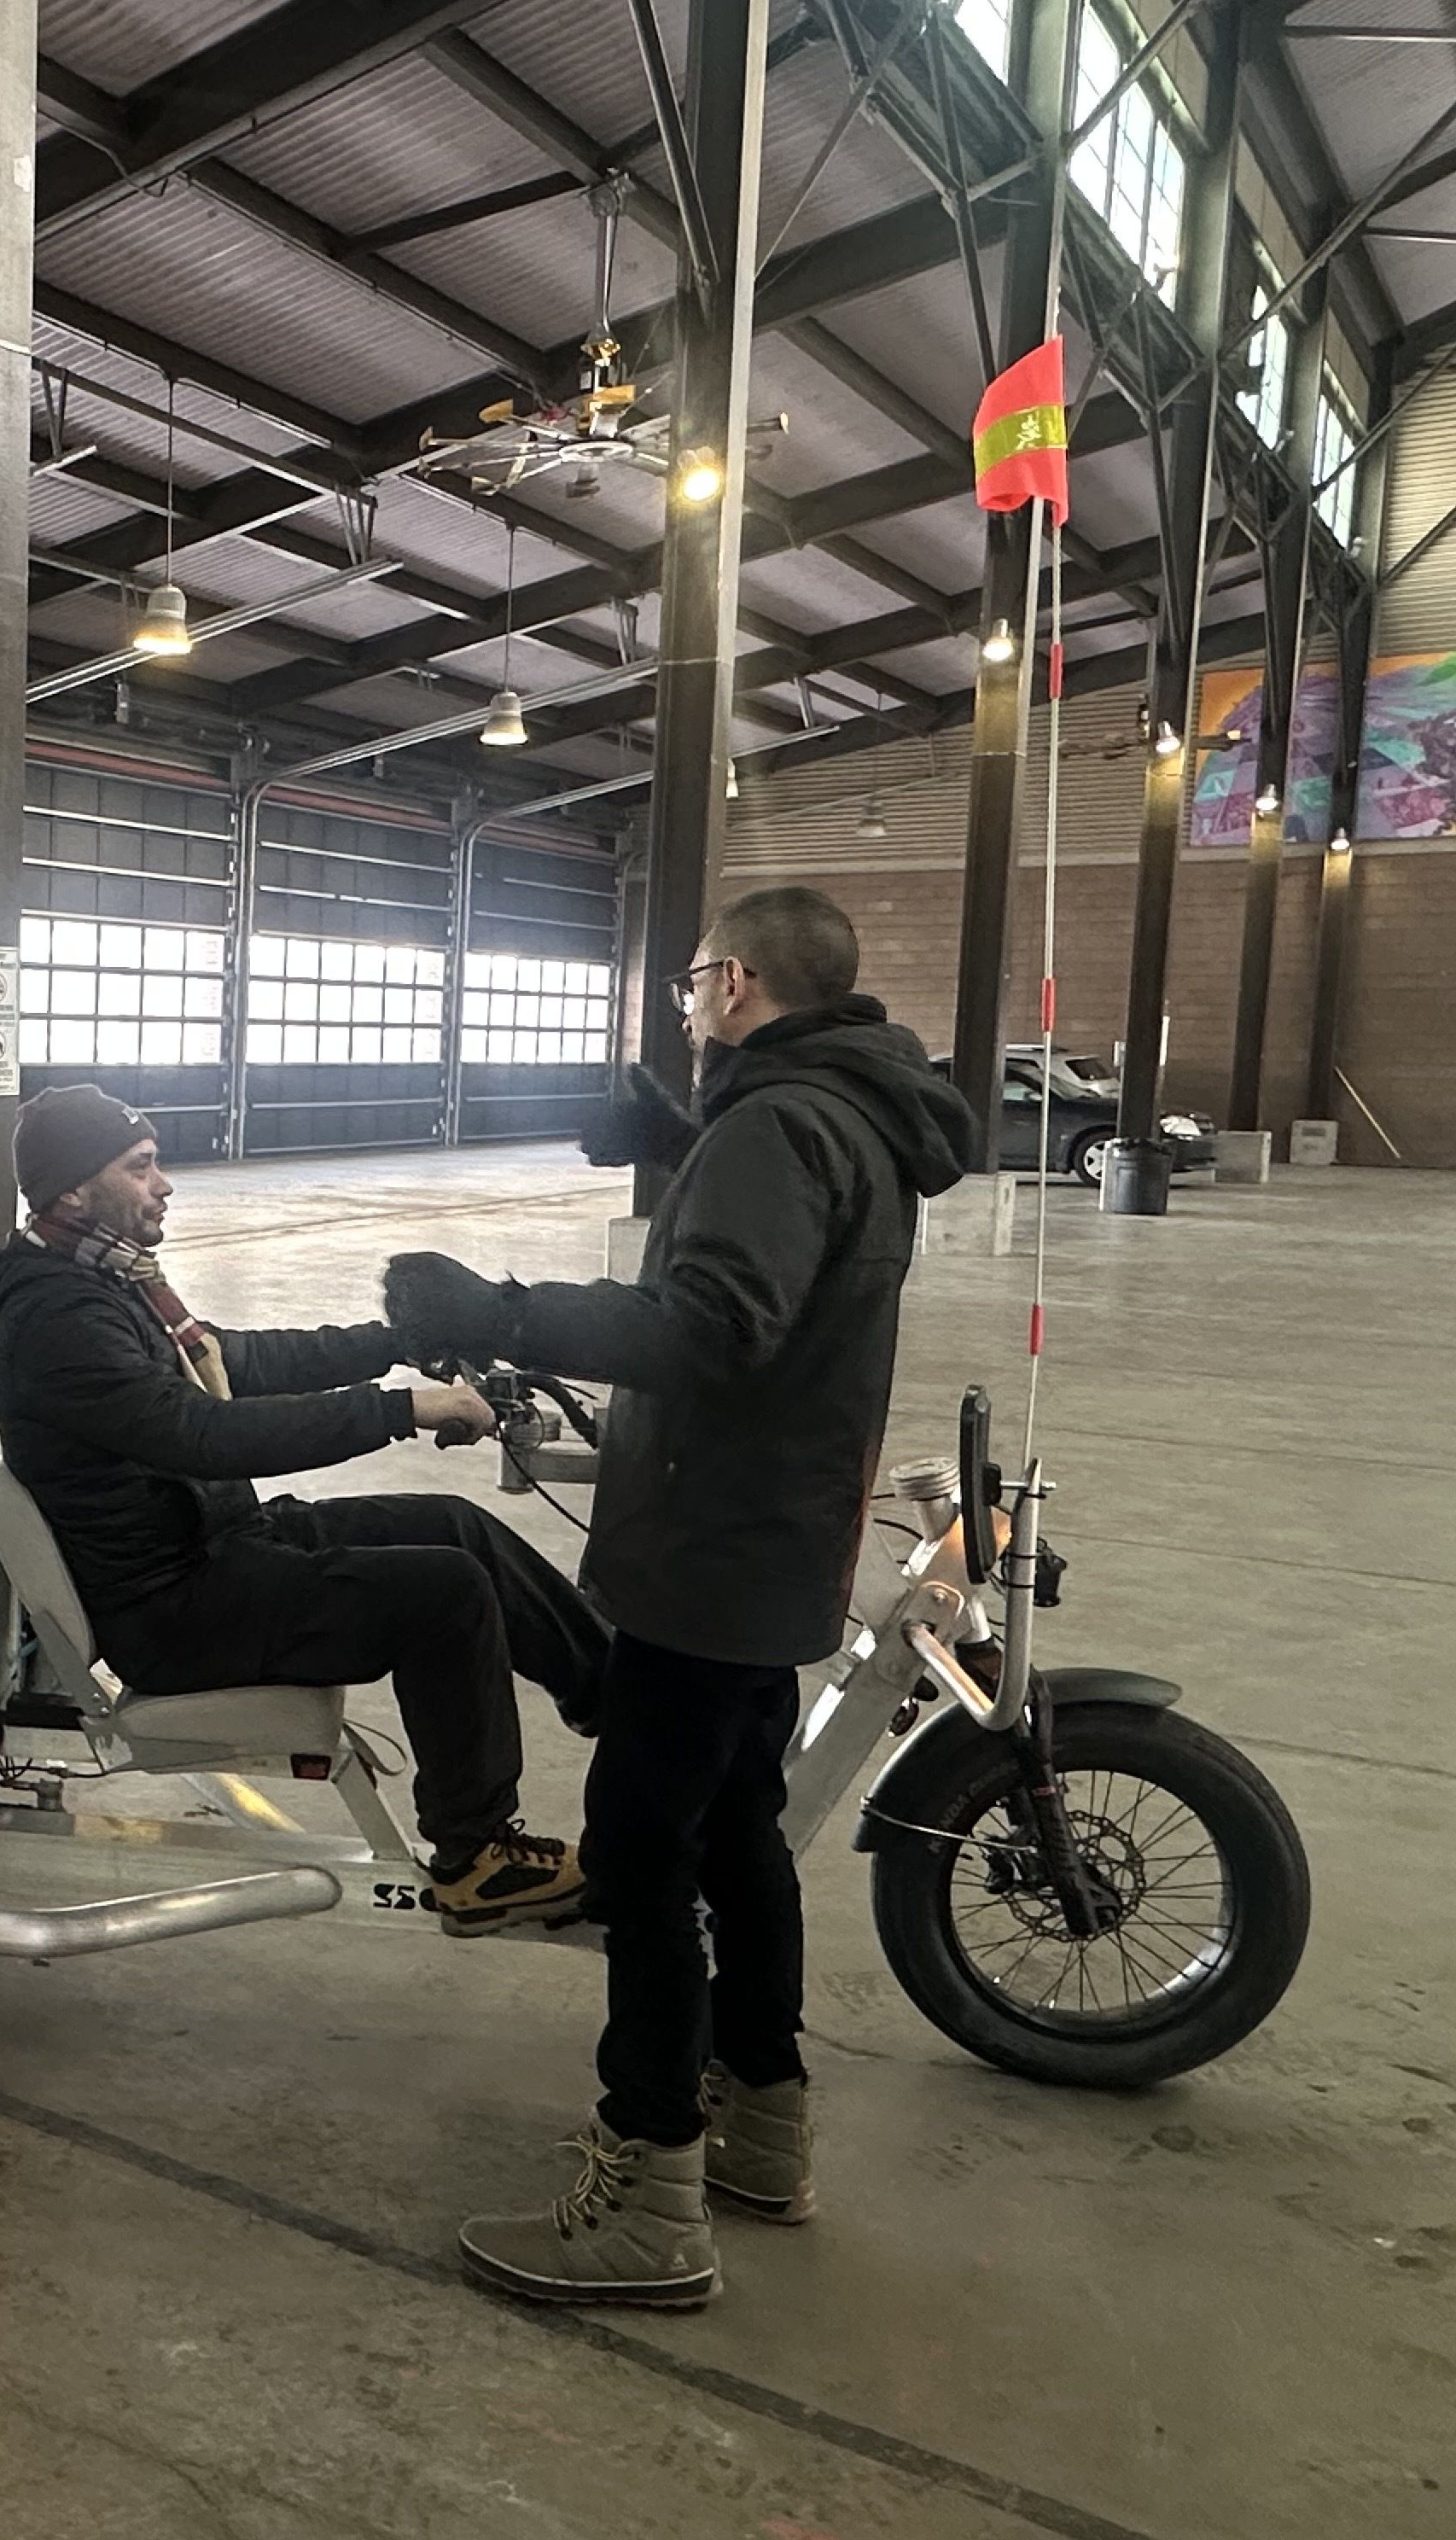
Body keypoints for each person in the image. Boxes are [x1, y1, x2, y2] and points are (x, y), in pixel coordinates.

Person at [385, 885, 976, 2305]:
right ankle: (761, 2122)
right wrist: (681, 1134)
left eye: (691, 983)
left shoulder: (778, 1126)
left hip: (708, 1556)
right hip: (772, 1545)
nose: (684, 1006)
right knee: (737, 1834)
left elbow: (711, 1324)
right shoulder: (844, 1109)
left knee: (642, 1856)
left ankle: (649, 2185)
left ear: (736, 983)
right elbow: (782, 1269)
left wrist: (496, 1308)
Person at [0, 1082, 607, 1931]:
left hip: (218, 1545)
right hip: (175, 1609)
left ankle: (611, 1696)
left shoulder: (109, 1281)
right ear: (74, 1191)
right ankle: (476, 1856)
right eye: (141, 1166)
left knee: (456, 1525)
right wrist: (403, 1411)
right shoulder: (59, 1320)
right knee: (443, 1594)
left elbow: (241, 1360)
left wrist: (399, 1348)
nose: (166, 1184)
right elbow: (205, 1436)